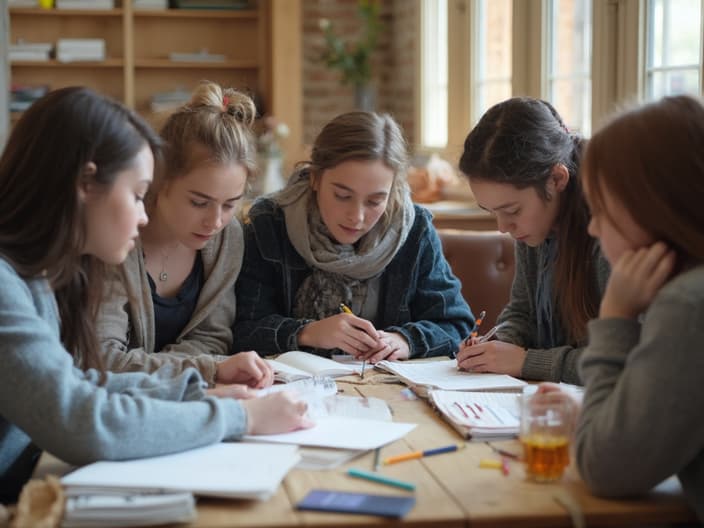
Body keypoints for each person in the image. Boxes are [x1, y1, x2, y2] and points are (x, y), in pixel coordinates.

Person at [0, 87, 310, 504]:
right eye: (137, 194)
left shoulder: (31, 275)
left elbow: (78, 385)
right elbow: (82, 420)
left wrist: (195, 392)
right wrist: (241, 417)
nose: (143, 214)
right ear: (84, 185)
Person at [560, 95, 704, 521]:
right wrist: (596, 416)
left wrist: (616, 317)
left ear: (654, 205)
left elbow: (605, 467)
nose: (592, 226)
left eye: (602, 209)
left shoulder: (688, 305)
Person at [233, 111, 473, 361]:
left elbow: (457, 325)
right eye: (343, 196)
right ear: (315, 178)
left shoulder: (414, 229)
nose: (356, 217)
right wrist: (307, 332)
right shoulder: (270, 223)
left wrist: (405, 340)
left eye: (375, 201)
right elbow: (241, 330)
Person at [96, 81, 272, 391]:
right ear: (160, 181)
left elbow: (213, 339)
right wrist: (205, 370)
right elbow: (102, 361)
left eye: (230, 204)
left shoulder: (228, 237)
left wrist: (179, 371)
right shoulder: (115, 239)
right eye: (199, 202)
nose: (215, 221)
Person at [456, 97, 610, 384]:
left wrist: (526, 361)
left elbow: (621, 363)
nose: (503, 227)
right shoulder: (535, 228)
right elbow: (522, 311)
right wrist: (497, 343)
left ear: (557, 178)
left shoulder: (612, 236)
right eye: (491, 212)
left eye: (512, 210)